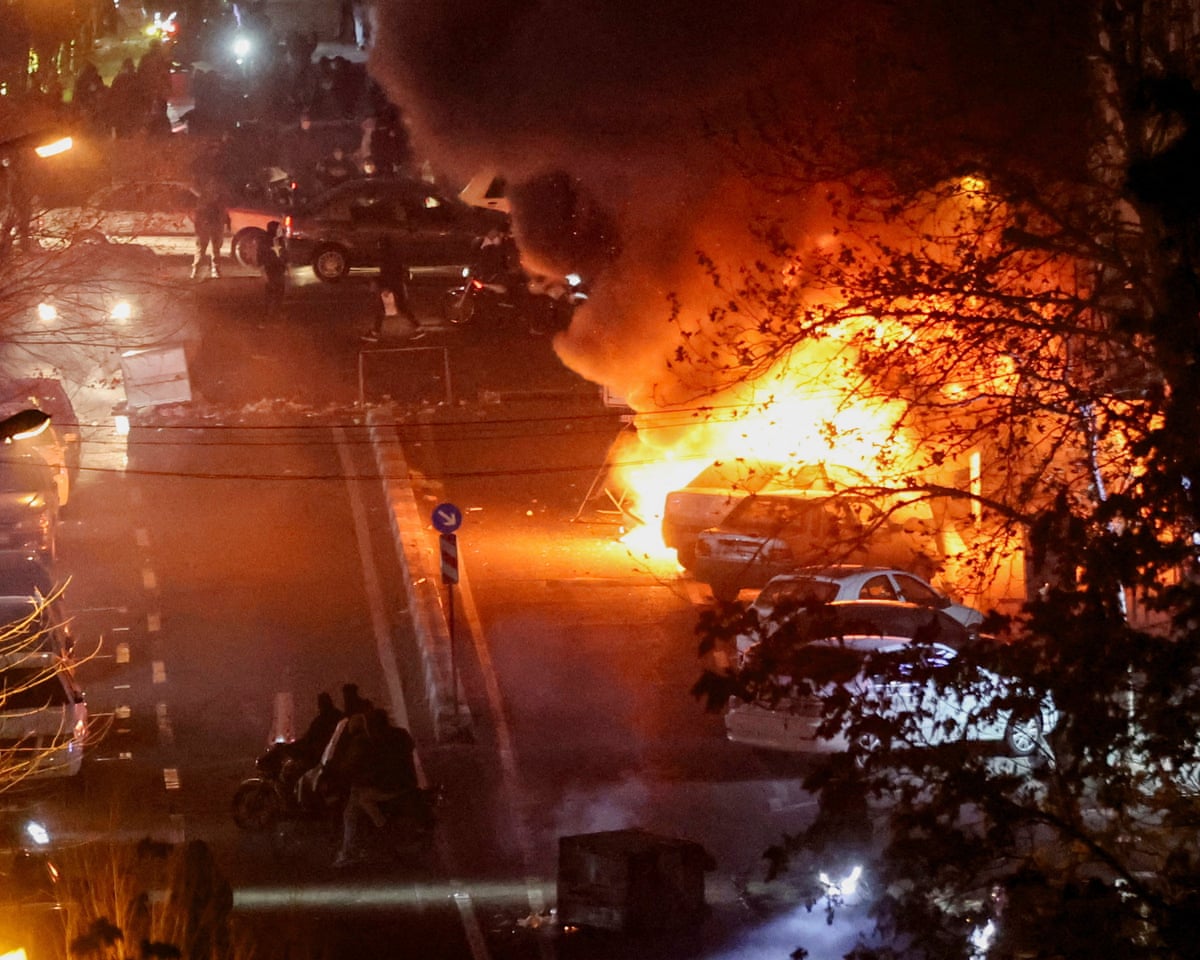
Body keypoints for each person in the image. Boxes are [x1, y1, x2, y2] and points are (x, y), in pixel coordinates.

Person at [334, 707, 419, 867]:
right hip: (408, 782)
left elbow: (363, 764)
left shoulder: (374, 740)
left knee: (357, 802)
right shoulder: (400, 734)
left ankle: (378, 831)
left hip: (389, 786)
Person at [364, 238, 421, 341]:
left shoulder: (386, 260)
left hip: (392, 287)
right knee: (402, 308)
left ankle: (375, 333)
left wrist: (379, 283)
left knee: (383, 309)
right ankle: (418, 328)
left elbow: (387, 275)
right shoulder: (394, 257)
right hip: (397, 286)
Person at [190, 180, 227, 280]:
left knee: (215, 249)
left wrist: (224, 221)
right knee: (202, 248)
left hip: (216, 225)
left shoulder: (218, 199)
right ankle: (197, 270)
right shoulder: (203, 199)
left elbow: (222, 212)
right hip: (205, 226)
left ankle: (214, 269)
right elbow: (199, 214)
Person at [260, 220, 288, 317]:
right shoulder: (265, 240)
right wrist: (263, 271)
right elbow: (261, 256)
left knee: (280, 291)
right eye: (279, 228)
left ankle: (277, 311)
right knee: (270, 291)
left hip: (279, 269)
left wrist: (286, 265)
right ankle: (267, 312)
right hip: (270, 269)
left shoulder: (280, 240)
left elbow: (284, 254)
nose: (281, 230)